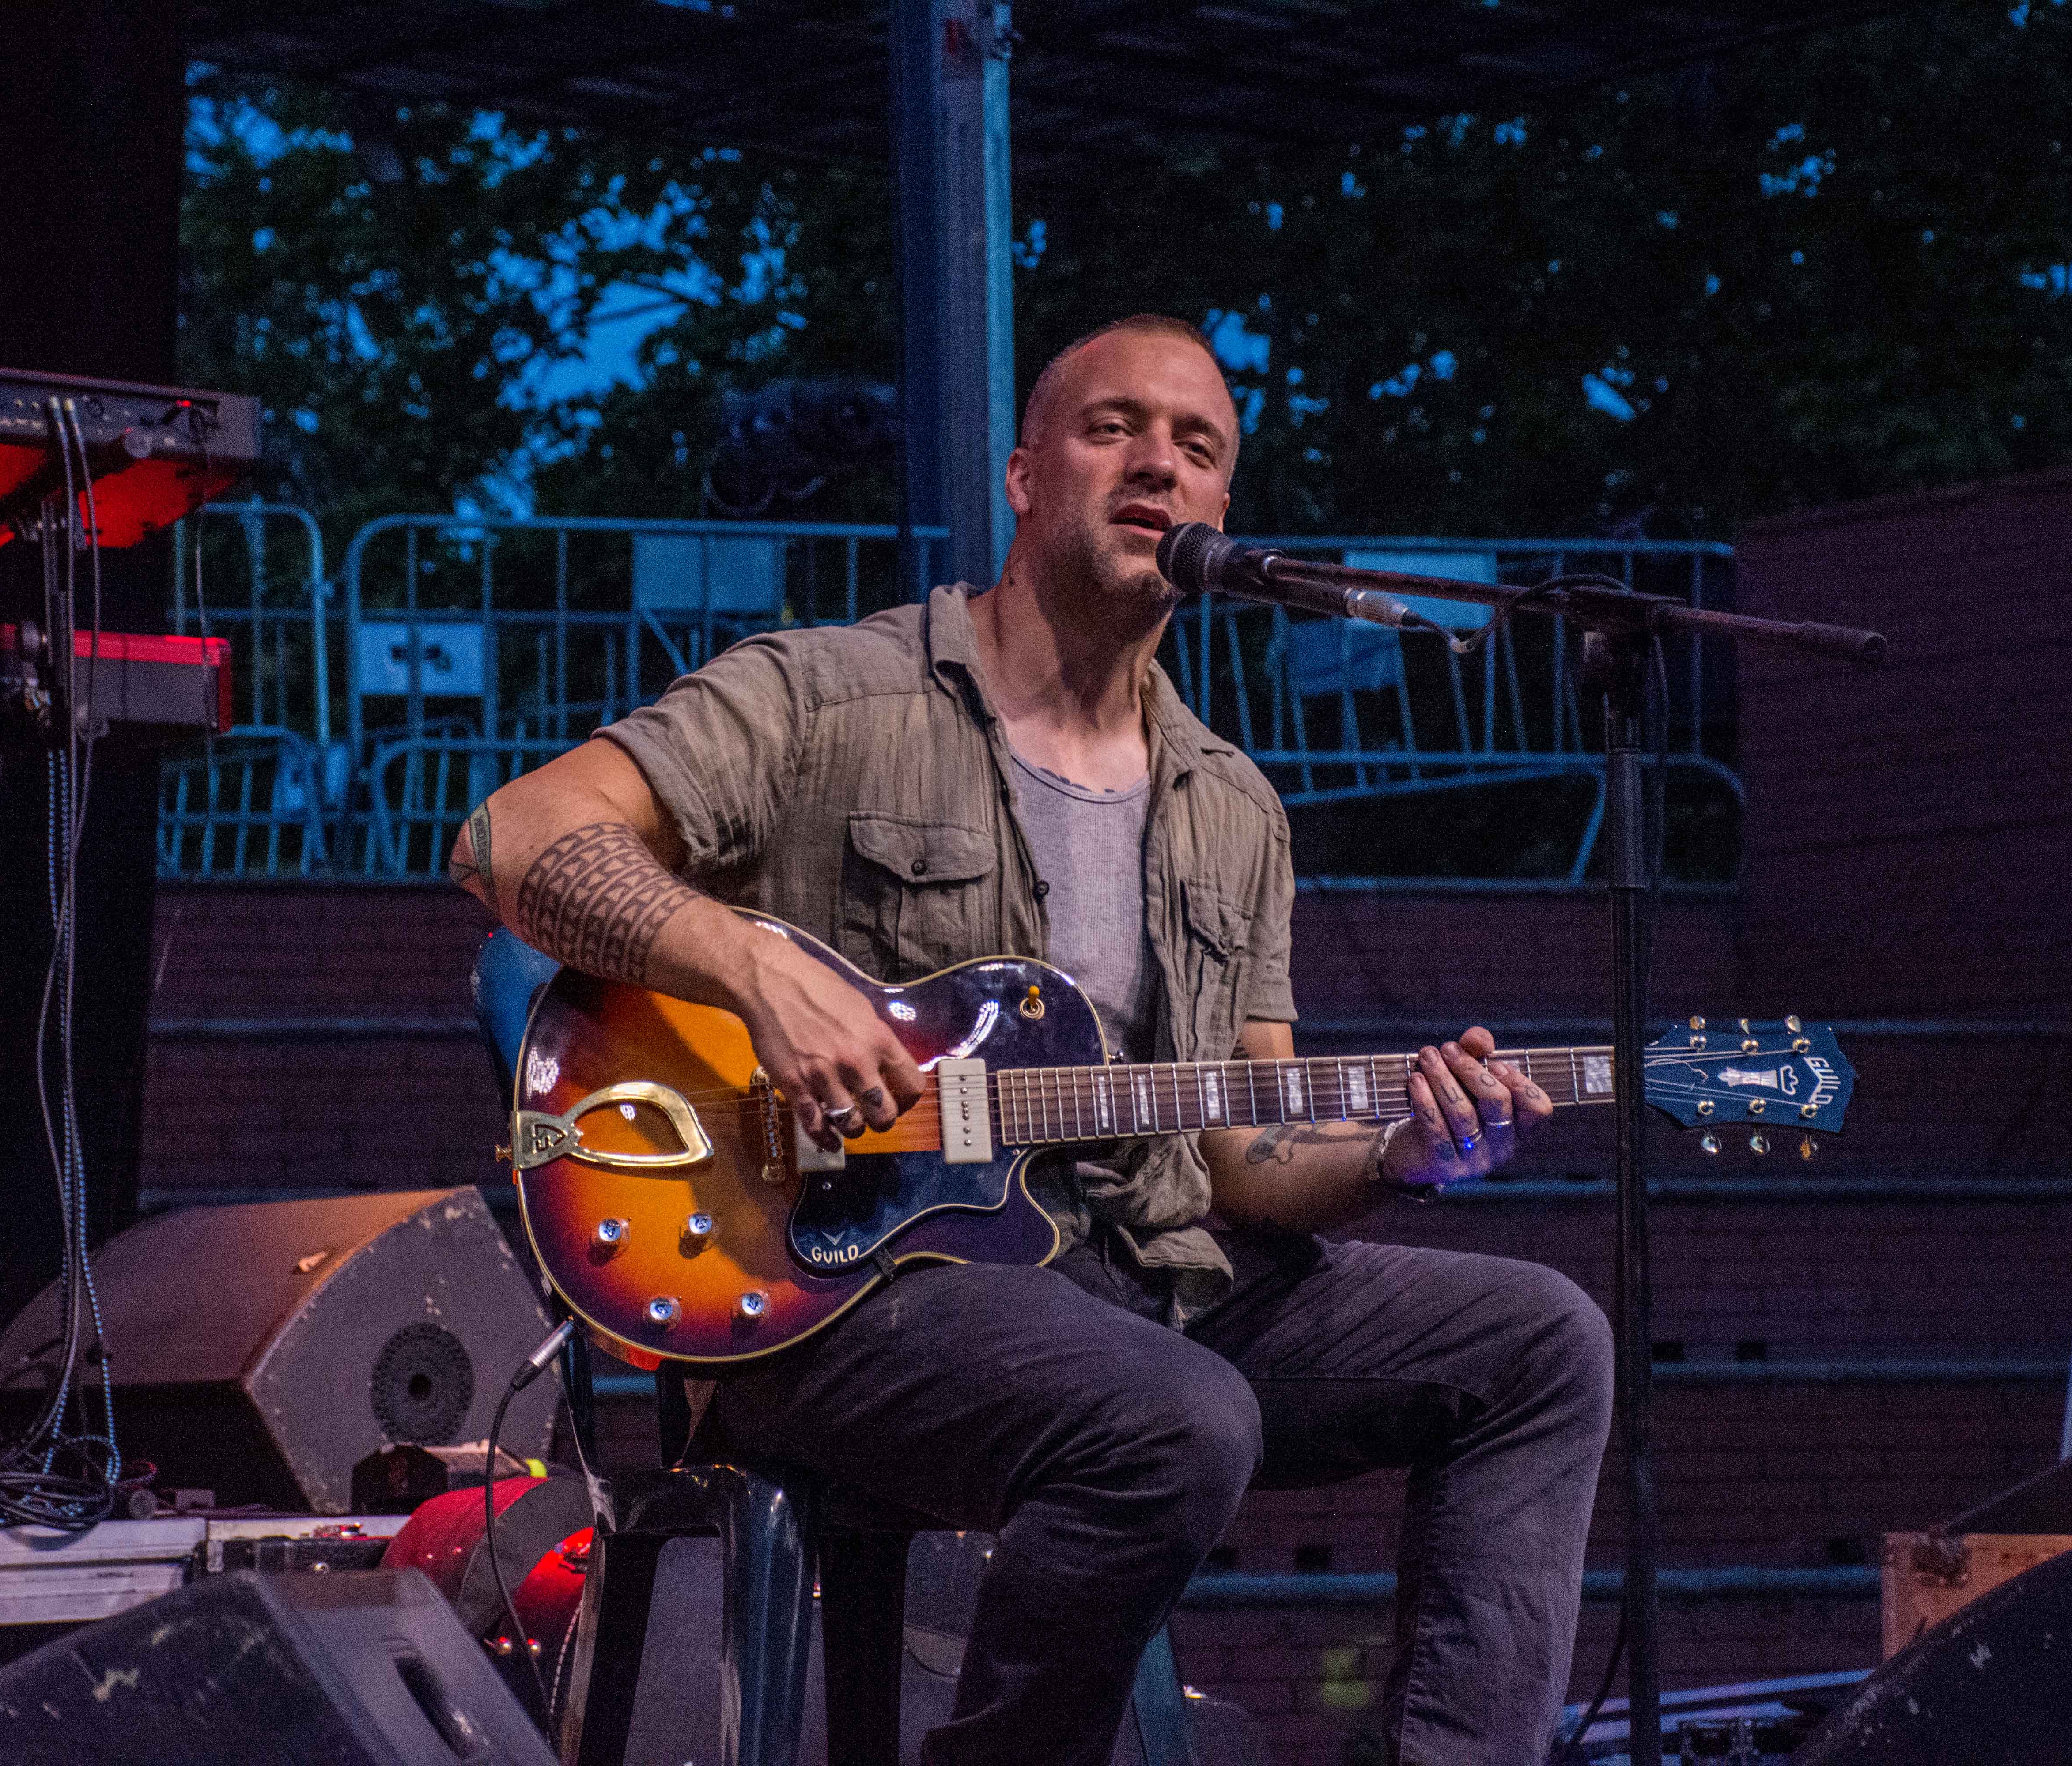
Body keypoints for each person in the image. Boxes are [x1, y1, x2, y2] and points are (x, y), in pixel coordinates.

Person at [454, 314, 1613, 1766]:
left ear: (1225, 513)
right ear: (1021, 475)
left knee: (1540, 1345)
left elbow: (1239, 1150)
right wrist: (752, 967)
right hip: (839, 1285)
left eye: (1199, 448)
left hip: (1141, 1283)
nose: (1159, 466)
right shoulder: (830, 697)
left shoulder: (1231, 801)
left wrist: (1400, 1153)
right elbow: (516, 837)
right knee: (1176, 1422)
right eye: (1113, 427)